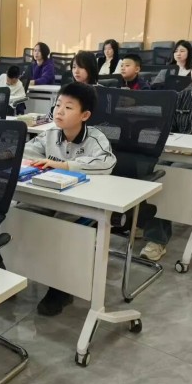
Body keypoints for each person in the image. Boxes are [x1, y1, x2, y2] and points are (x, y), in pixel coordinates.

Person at [24, 82, 117, 316]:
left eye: (68, 107)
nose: (59, 112)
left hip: (81, 204)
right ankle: (14, 269)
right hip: (50, 195)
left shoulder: (95, 139)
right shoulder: (50, 134)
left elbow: (106, 162)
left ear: (85, 115)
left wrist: (64, 165)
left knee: (62, 230)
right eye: (57, 105)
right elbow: (25, 151)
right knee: (21, 215)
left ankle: (61, 288)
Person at [139, 51, 192, 261]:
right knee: (150, 168)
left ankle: (157, 239)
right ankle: (145, 222)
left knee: (169, 176)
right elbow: (170, 127)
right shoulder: (183, 97)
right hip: (178, 153)